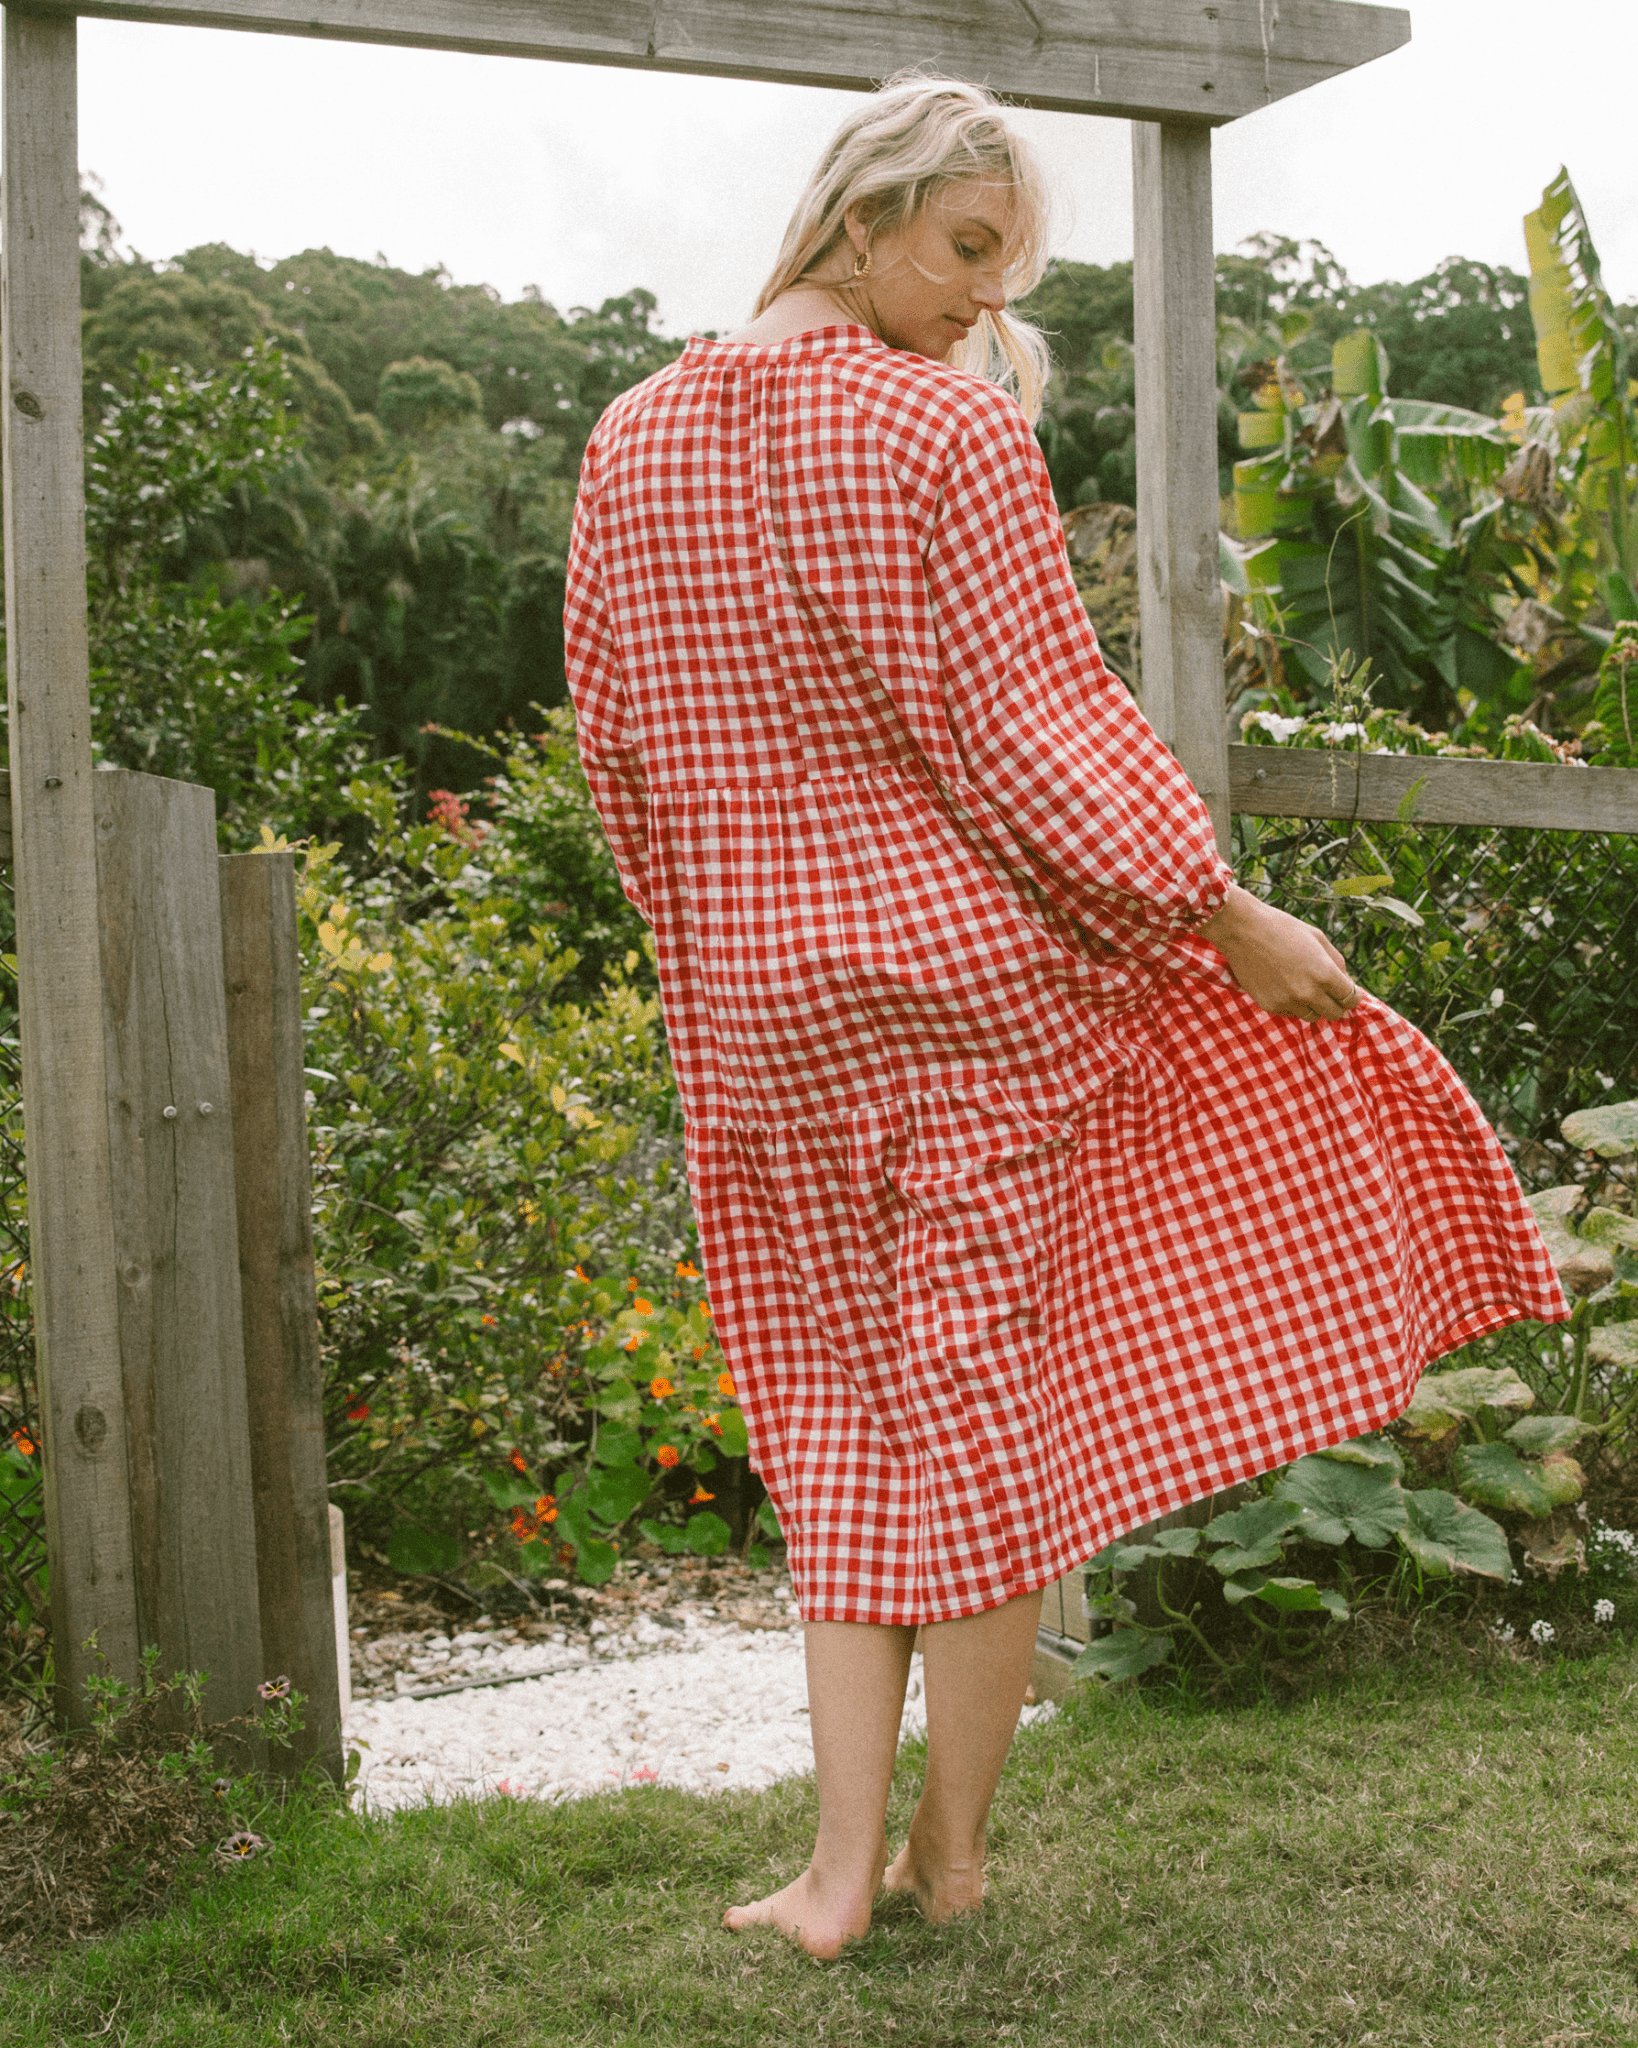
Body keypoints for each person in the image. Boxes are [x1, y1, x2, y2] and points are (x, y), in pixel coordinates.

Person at [563, 74, 1565, 1959]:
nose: (978, 302)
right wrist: (1222, 905)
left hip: (758, 1020)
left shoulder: (630, 435)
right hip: (965, 1005)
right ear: (862, 213)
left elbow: (618, 749)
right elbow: (1038, 734)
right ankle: (943, 1859)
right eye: (963, 253)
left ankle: (832, 1877)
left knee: (839, 1423)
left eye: (1004, 270)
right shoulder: (939, 430)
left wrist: (721, 936)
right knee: (983, 1424)